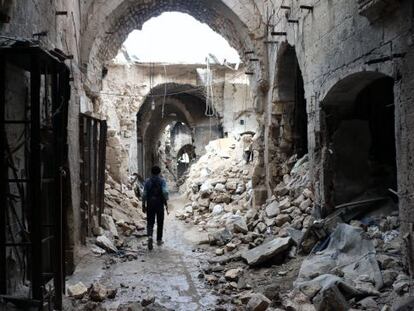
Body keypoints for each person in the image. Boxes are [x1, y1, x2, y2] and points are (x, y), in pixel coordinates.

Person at [142, 166, 169, 250]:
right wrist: (166, 200)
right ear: (159, 172)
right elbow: (165, 192)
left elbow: (144, 194)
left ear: (151, 172)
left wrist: (143, 204)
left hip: (150, 203)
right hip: (159, 203)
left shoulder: (147, 181)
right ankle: (159, 239)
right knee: (160, 221)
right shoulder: (162, 181)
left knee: (150, 221)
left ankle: (150, 236)